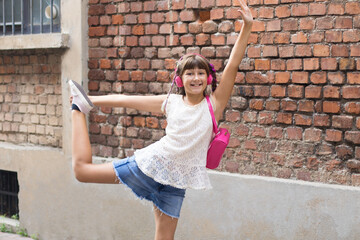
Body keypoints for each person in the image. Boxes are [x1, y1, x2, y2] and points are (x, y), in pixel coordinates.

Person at [69, 1, 253, 239]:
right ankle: (77, 108)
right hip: (151, 166)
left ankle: (81, 105)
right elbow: (127, 100)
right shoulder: (171, 101)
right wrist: (89, 100)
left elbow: (234, 64)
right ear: (180, 80)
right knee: (82, 172)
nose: (195, 78)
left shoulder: (214, 105)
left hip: (175, 184)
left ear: (208, 79)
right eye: (189, 73)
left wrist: (246, 27)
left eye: (200, 73)